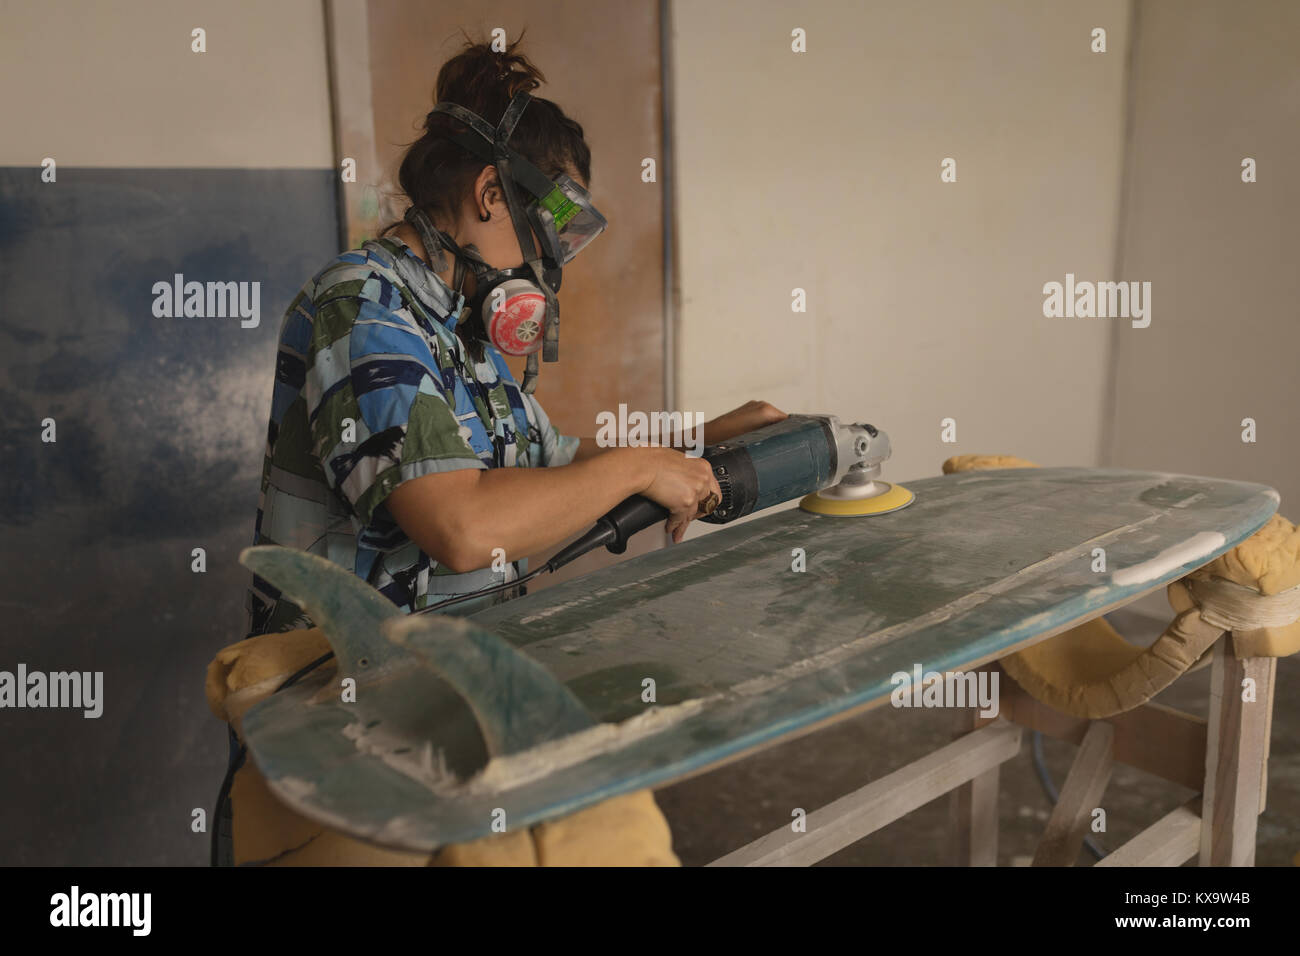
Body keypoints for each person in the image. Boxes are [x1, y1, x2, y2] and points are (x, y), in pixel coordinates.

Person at [245, 37, 785, 637]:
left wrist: (704, 437)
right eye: (545, 242)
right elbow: (463, 527)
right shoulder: (363, 308)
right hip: (340, 706)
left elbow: (555, 457)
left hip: (442, 684)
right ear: (491, 195)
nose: (545, 273)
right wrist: (637, 469)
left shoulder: (460, 326)